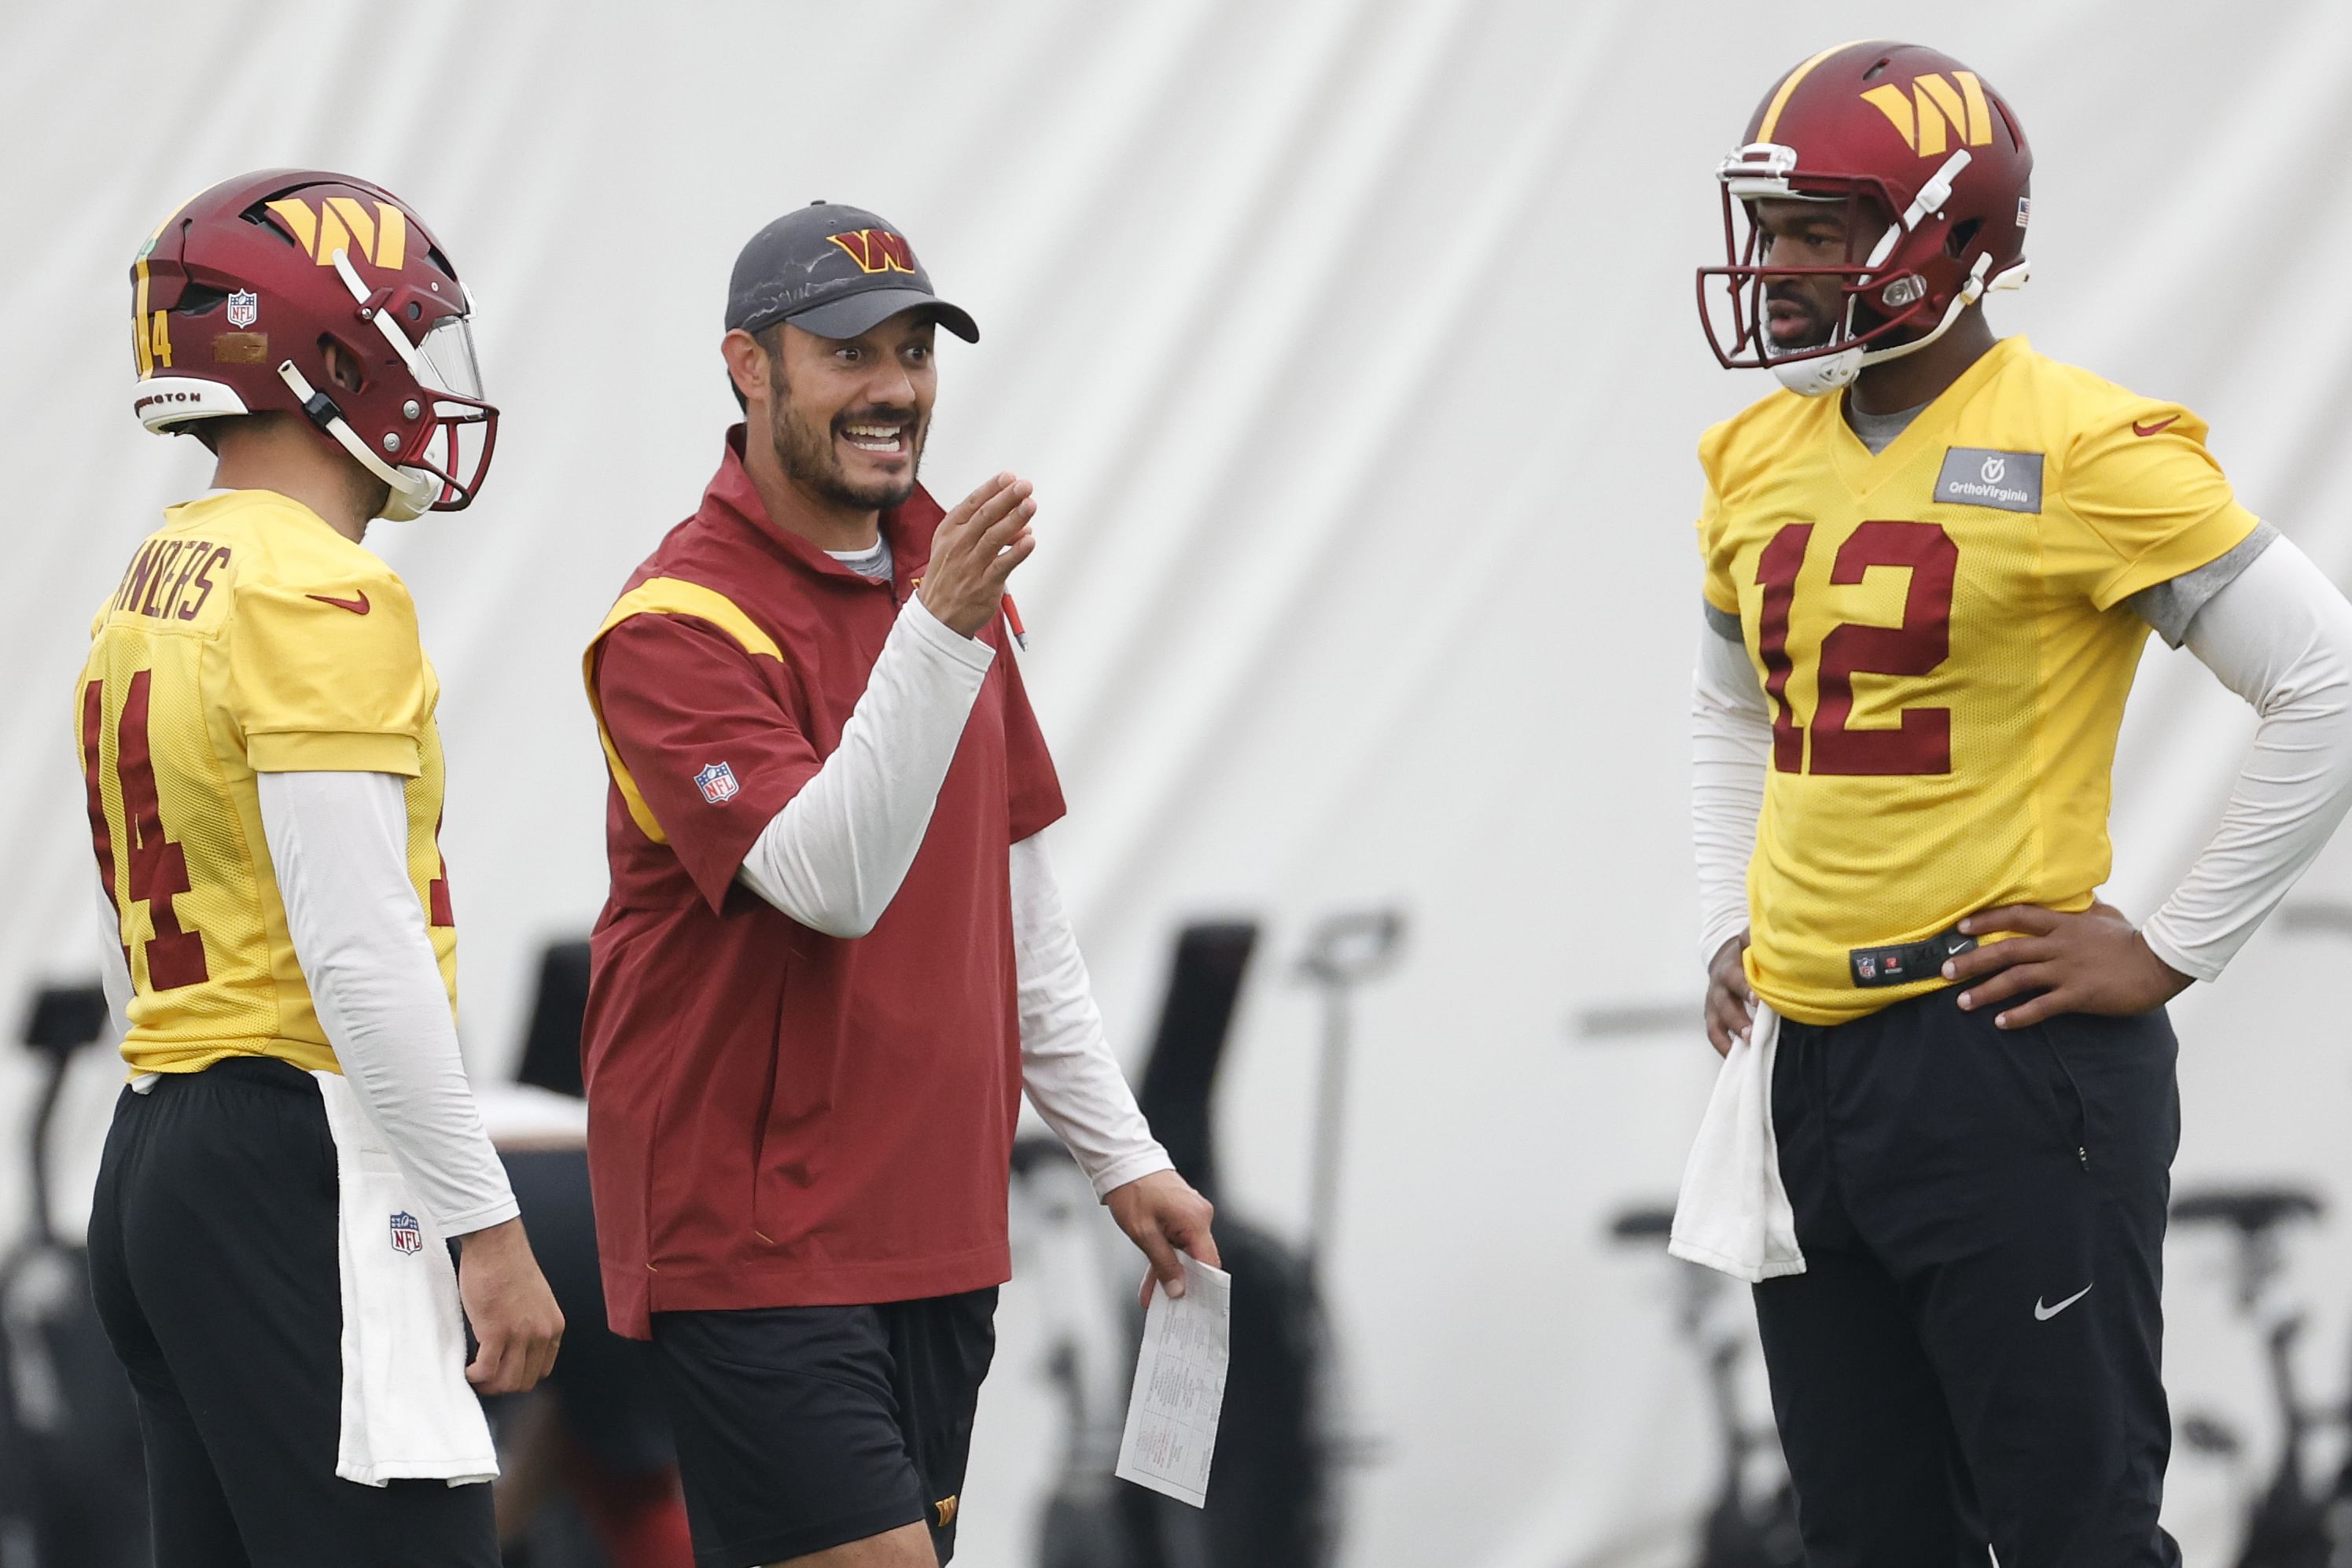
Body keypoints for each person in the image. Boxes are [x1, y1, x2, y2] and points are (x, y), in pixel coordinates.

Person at [1684, 41, 2352, 1565]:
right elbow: (1732, 710)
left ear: (1948, 233)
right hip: (1804, 1069)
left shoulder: (2086, 444)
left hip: (1997, 1060)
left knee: (2070, 1534)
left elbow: (2323, 682)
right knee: (1861, 1538)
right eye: (1766, 225)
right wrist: (1731, 912)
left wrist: (2168, 945)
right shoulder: (1749, 455)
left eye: (1815, 229)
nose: (1773, 266)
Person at [580, 201, 1218, 1568]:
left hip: (938, 1237)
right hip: (756, 1250)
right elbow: (830, 882)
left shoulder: (946, 583)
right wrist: (936, 634)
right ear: (750, 368)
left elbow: (1021, 923)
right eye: (851, 352)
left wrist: (1126, 1156)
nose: (896, 389)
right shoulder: (676, 624)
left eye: (917, 350)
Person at [79, 170, 563, 1568]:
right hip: (295, 1151)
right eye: (410, 334)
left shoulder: (162, 569)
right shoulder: (319, 587)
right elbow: (359, 950)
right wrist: (488, 1225)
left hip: (162, 1138)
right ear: (331, 354)